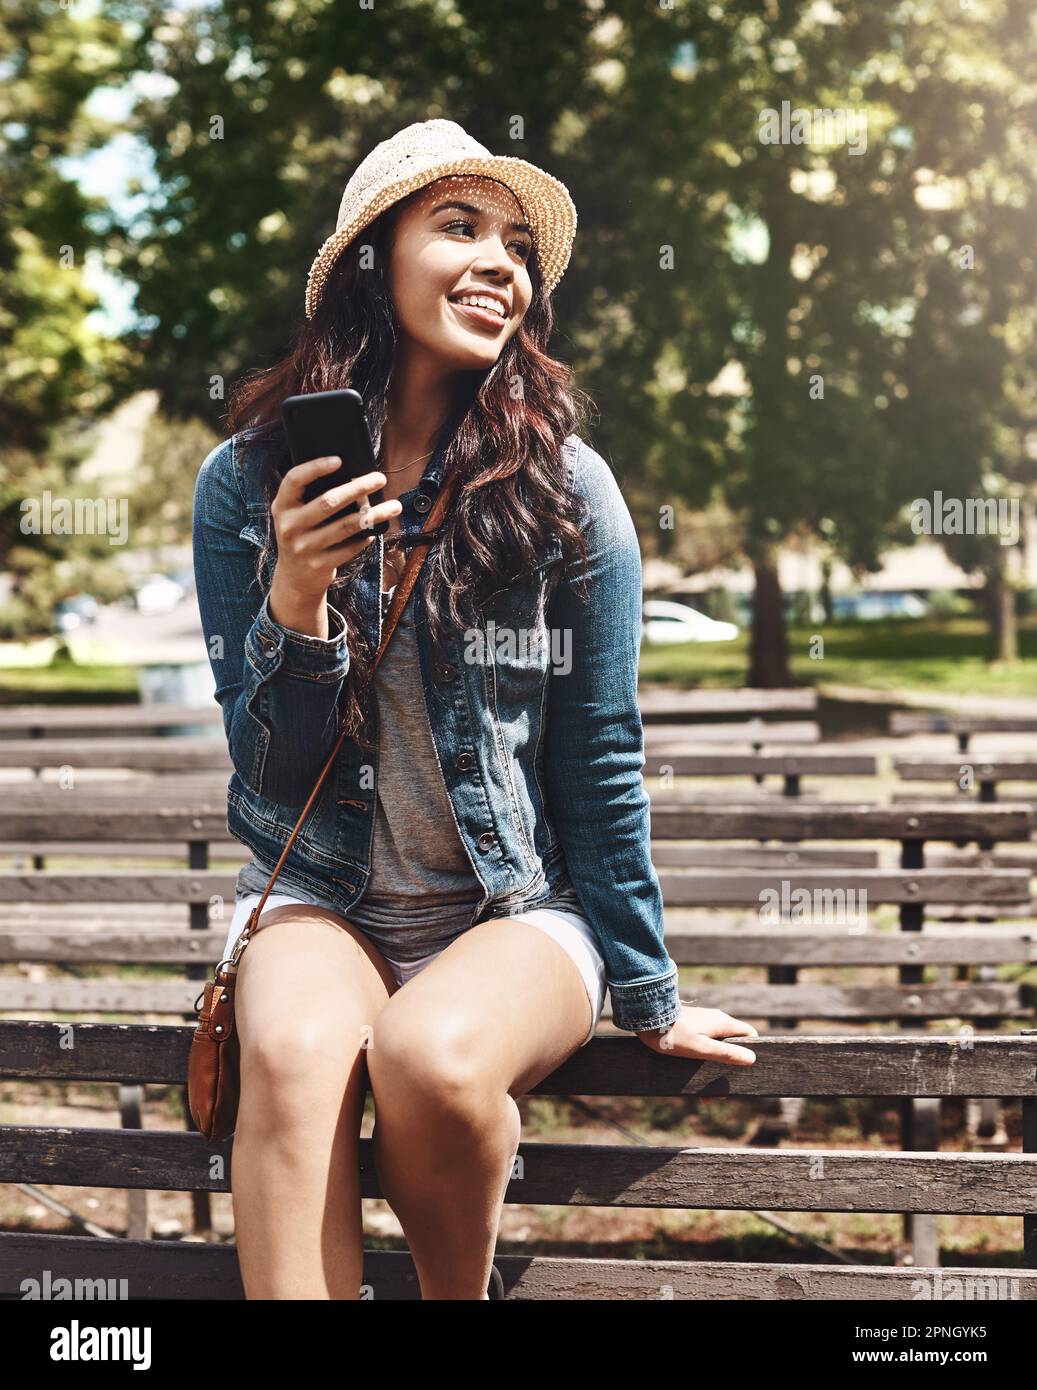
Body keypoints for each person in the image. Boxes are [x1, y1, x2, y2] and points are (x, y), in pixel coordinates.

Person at [192, 118, 758, 1302]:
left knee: (430, 1055)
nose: (500, 261)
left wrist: (646, 993)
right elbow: (268, 775)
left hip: (514, 908)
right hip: (321, 898)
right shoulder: (244, 483)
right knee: (291, 1058)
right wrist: (295, 597)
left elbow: (600, 754)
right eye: (457, 226)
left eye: (516, 245)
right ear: (369, 258)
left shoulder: (563, 487)